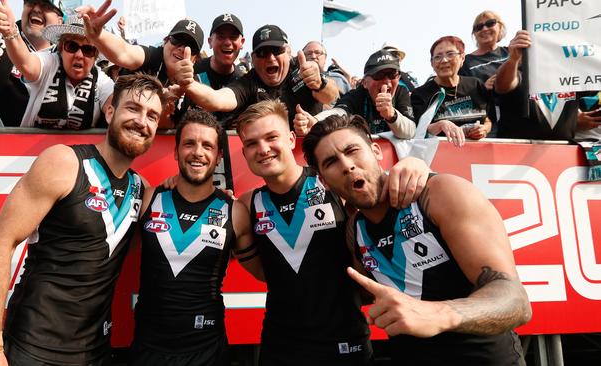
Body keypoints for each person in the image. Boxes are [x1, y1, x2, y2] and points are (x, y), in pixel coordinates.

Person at [301, 114, 532, 365]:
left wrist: (438, 314)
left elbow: (516, 301)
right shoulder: (354, 230)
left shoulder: (440, 192)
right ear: (323, 180)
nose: (347, 165)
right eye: (332, 162)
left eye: (352, 150)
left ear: (376, 151)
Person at [0, 73, 167, 365]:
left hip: (95, 351)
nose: (142, 121)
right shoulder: (63, 162)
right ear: (110, 111)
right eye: (133, 108)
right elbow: (1, 243)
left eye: (152, 115)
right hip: (32, 346)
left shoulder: (142, 190)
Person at [234, 99, 430, 366]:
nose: (263, 149)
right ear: (243, 152)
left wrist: (415, 165)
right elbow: (264, 272)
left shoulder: (332, 181)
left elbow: (379, 189)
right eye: (252, 143)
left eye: (271, 137)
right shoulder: (246, 205)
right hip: (281, 345)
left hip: (344, 340)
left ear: (291, 139)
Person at [131, 109, 263, 366]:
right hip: (148, 347)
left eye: (207, 146)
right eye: (189, 143)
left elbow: (266, 272)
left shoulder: (234, 211)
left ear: (218, 156)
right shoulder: (150, 198)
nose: (198, 152)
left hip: (206, 350)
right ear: (176, 151)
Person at [175, 24, 340, 129]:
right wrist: (189, 84)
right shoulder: (249, 82)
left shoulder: (303, 68)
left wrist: (319, 82)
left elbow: (331, 96)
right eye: (262, 53)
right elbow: (218, 99)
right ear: (253, 59)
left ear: (288, 52)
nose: (270, 58)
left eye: (276, 51)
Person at [78, 0, 204, 127]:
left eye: (191, 47)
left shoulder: (192, 85)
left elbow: (170, 127)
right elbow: (125, 52)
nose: (182, 49)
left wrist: (164, 107)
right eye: (177, 40)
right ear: (165, 41)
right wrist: (98, 35)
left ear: (195, 59)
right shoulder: (151, 56)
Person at [0, 6, 114, 129]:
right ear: (61, 49)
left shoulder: (100, 81)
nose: (79, 55)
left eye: (88, 50)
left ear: (95, 56)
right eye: (72, 46)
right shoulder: (49, 63)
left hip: (81, 150)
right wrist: (10, 31)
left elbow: (117, 107)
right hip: (33, 149)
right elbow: (27, 63)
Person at [293, 49, 416, 138]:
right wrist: (315, 121)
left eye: (392, 74)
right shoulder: (357, 95)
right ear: (365, 83)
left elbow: (411, 132)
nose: (387, 82)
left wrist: (391, 115)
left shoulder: (401, 92)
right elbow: (338, 112)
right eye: (379, 75)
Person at [495, 30, 581, 140]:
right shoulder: (519, 74)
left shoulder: (574, 76)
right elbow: (503, 86)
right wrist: (513, 59)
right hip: (517, 152)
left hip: (564, 153)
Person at [411, 36, 492, 146]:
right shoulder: (420, 94)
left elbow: (489, 119)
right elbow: (419, 130)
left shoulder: (476, 85)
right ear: (432, 63)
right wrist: (441, 125)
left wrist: (484, 129)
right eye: (438, 57)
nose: (444, 60)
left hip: (477, 155)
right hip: (439, 156)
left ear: (462, 58)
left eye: (450, 54)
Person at [459, 11, 509, 90]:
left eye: (490, 23)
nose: (484, 29)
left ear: (500, 27)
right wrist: (482, 89)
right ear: (474, 34)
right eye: (479, 27)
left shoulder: (511, 52)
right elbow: (461, 95)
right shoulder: (464, 63)